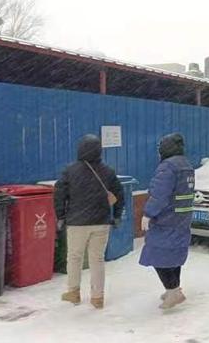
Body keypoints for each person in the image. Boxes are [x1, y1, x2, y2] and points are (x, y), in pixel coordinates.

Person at [54, 134, 124, 309]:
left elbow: (59, 194)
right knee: (97, 260)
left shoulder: (70, 171)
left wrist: (60, 216)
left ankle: (73, 292)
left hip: (77, 222)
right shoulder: (108, 171)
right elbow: (119, 195)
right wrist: (116, 215)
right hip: (101, 222)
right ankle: (97, 297)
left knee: (75, 258)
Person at [139, 133, 195, 310]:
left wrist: (148, 214)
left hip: (166, 218)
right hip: (181, 217)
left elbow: (159, 194)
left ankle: (172, 291)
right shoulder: (186, 165)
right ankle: (174, 288)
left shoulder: (167, 167)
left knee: (158, 255)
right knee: (174, 255)